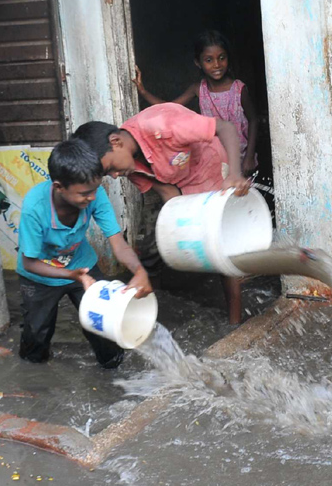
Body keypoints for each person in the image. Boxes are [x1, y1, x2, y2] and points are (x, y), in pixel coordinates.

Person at [73, 104, 251, 325]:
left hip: (208, 167)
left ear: (116, 142)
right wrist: (182, 224)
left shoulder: (163, 126)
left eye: (111, 169)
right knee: (150, 245)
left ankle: (235, 321)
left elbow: (226, 128)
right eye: (109, 174)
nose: (116, 176)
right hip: (175, 178)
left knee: (220, 243)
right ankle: (152, 314)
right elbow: (167, 192)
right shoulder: (129, 164)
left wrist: (234, 173)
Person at [16, 138, 152, 367]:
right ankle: (34, 376)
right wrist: (71, 275)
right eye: (84, 194)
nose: (91, 197)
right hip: (39, 276)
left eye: (94, 190)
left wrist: (139, 270)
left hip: (83, 266)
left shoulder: (95, 194)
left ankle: (112, 369)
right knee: (37, 333)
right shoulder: (35, 208)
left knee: (105, 326)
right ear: (58, 187)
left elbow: (118, 243)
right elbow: (29, 263)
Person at [132, 30, 261, 176]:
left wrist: (250, 157)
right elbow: (170, 108)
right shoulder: (198, 89)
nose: (217, 64)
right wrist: (143, 92)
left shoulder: (238, 89)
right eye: (209, 60)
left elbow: (253, 120)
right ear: (198, 62)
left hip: (241, 159)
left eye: (222, 58)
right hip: (214, 160)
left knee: (244, 196)